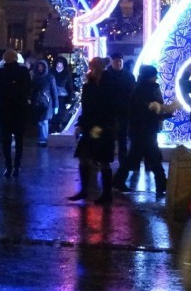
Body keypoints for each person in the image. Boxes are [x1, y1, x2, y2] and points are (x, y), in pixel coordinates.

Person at [112, 65, 171, 198]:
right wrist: (161, 112)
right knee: (153, 157)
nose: (156, 77)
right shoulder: (146, 89)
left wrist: (160, 111)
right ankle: (161, 184)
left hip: (140, 129)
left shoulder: (140, 88)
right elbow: (145, 109)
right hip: (145, 129)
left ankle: (118, 181)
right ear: (149, 76)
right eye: (154, 75)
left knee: (134, 157)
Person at [68, 57, 117, 205]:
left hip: (104, 127)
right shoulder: (89, 85)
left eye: (94, 67)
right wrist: (80, 124)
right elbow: (86, 108)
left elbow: (112, 107)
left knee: (103, 161)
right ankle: (85, 190)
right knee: (84, 157)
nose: (92, 70)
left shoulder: (109, 85)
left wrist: (104, 125)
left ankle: (106, 194)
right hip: (90, 126)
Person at [0, 49, 32, 177]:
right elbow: (28, 88)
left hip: (5, 109)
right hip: (20, 109)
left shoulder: (0, 72)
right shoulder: (23, 71)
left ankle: (8, 165)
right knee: (19, 139)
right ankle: (17, 166)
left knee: (6, 139)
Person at [107, 52, 136, 170]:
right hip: (110, 113)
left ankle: (123, 162)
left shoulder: (128, 76)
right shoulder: (107, 76)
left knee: (122, 139)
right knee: (109, 138)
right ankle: (107, 161)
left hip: (124, 112)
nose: (118, 63)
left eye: (120, 61)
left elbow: (133, 94)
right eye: (116, 61)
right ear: (112, 62)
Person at [30, 59, 58, 147]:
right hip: (37, 102)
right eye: (39, 66)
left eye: (41, 66)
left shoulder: (50, 77)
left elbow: (54, 92)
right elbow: (32, 90)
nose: (40, 68)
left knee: (44, 121)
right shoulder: (35, 77)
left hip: (47, 102)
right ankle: (42, 138)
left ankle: (44, 139)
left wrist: (55, 105)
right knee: (40, 121)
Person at [51, 56, 74, 133]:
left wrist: (69, 101)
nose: (59, 65)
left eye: (61, 63)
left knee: (61, 118)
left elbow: (70, 88)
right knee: (52, 118)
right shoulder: (51, 72)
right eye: (58, 63)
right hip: (52, 98)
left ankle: (59, 133)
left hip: (62, 99)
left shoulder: (67, 74)